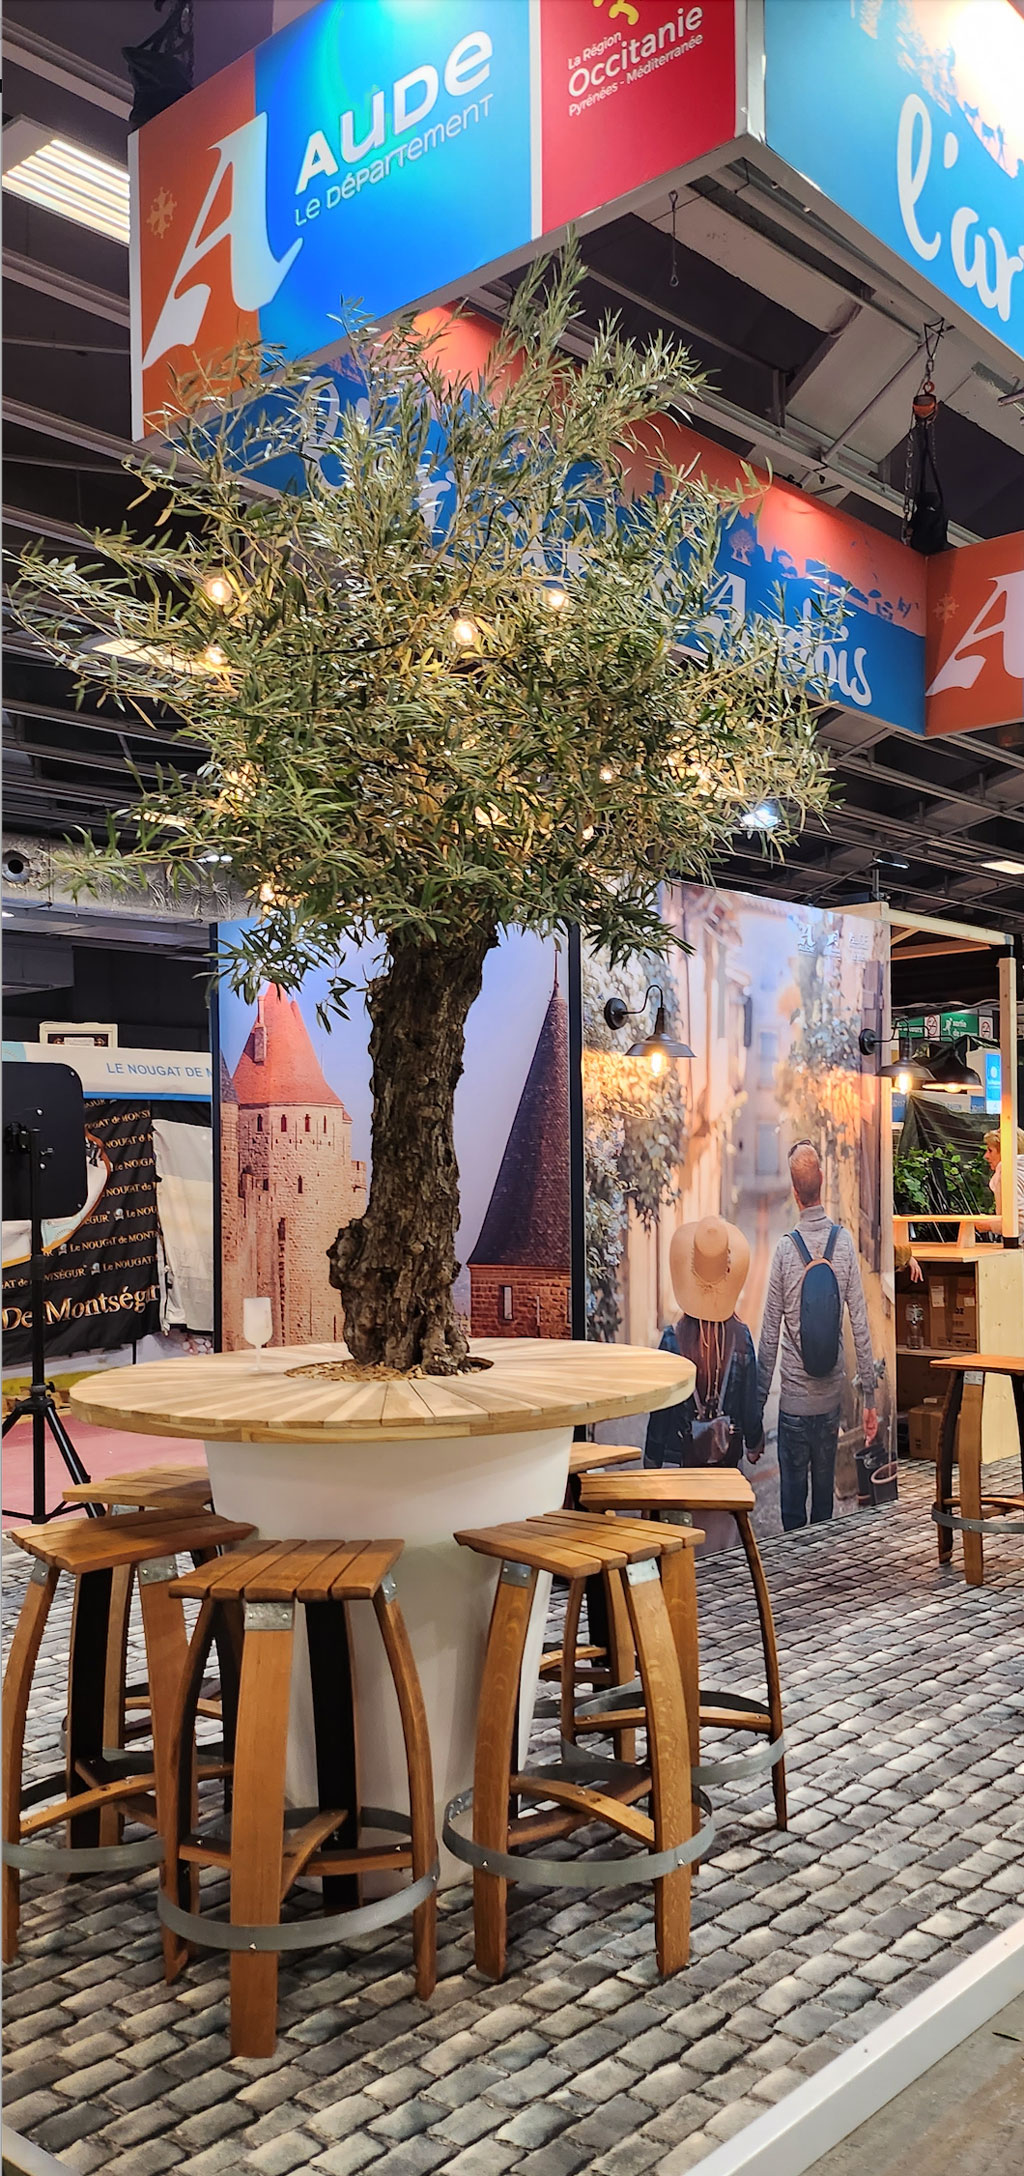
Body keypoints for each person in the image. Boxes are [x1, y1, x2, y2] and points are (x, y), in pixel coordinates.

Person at [757, 1141, 878, 1531]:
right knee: (823, 1509)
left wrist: (756, 1414)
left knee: (792, 1510)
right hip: (829, 1403)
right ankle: (820, 1576)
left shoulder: (784, 1252)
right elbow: (860, 1324)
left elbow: (769, 1338)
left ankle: (796, 1582)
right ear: (821, 1182)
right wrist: (870, 1401)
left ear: (794, 1192)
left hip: (792, 1405)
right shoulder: (842, 1244)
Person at [644, 1216, 764, 1471]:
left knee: (683, 1510)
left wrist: (653, 1456)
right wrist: (753, 1444)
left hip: (681, 1460)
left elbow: (660, 1412)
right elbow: (749, 1406)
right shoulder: (741, 1338)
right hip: (727, 1459)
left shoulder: (672, 1340)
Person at [974, 1127, 1024, 1236]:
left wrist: (989, 1224)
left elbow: (1019, 1222)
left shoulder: (1009, 1175)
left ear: (1006, 1152)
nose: (986, 1156)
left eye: (990, 1150)